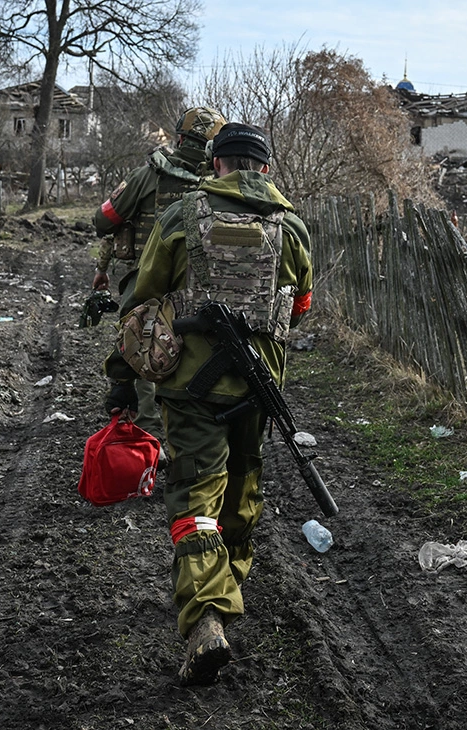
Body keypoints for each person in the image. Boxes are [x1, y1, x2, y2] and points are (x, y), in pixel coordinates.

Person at [103, 123, 313, 685]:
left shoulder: (181, 218)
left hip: (189, 390)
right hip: (258, 387)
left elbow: (140, 301)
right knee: (243, 491)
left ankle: (206, 618)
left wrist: (121, 375)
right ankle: (222, 587)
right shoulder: (290, 226)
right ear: (265, 168)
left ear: (215, 165)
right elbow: (299, 307)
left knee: (196, 497)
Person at [91, 106, 226, 440]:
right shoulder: (220, 181)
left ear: (179, 138)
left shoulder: (148, 175)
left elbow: (103, 220)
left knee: (143, 347)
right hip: (201, 288)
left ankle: (150, 435)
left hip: (147, 281)